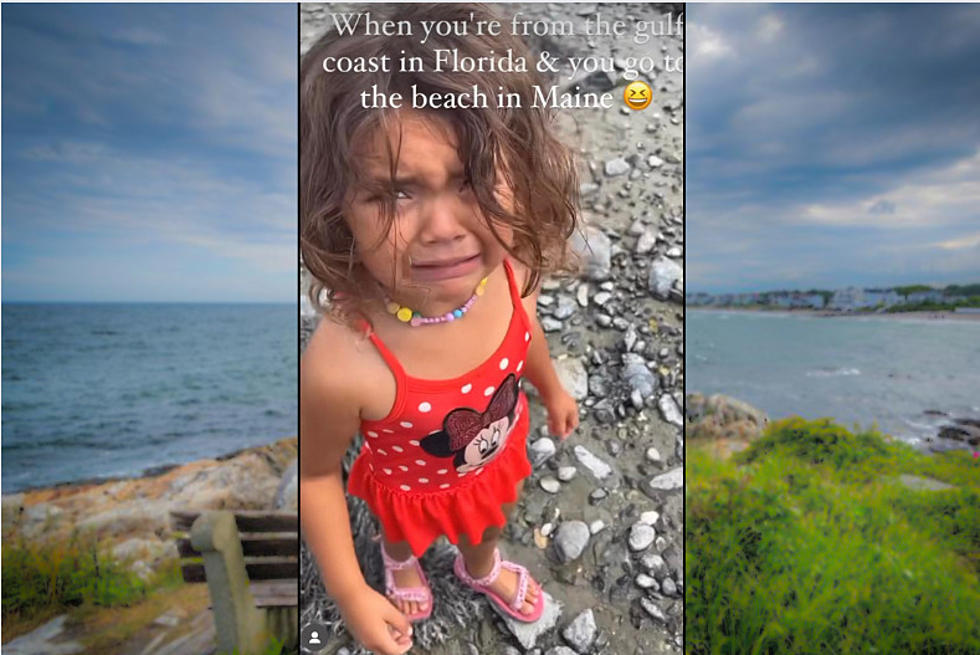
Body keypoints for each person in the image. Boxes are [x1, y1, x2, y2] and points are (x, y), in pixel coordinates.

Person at [299, 5, 580, 654]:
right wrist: (350, 593)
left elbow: (526, 336)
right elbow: (317, 478)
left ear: (523, 173)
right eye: (395, 193)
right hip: (407, 488)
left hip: (493, 458)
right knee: (398, 532)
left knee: (487, 522)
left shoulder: (511, 271)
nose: (443, 227)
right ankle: (397, 563)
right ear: (335, 206)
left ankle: (477, 567)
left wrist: (552, 387)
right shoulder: (345, 359)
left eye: (473, 179)